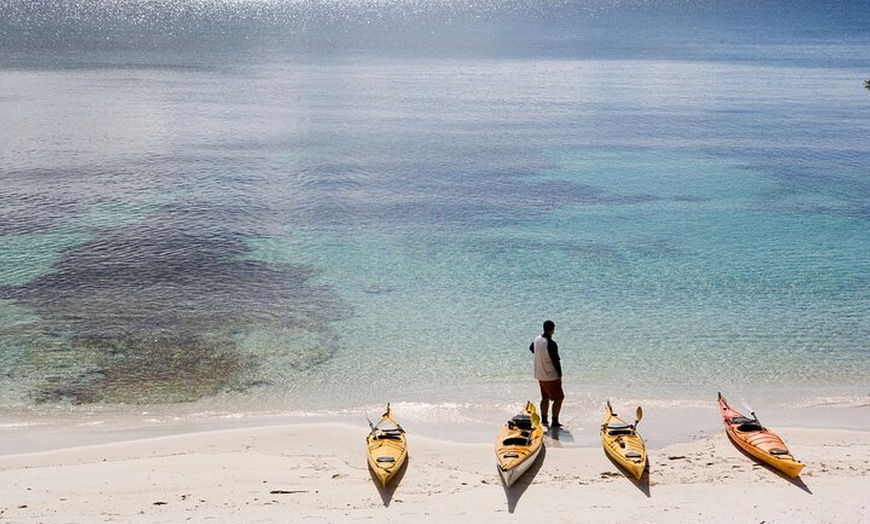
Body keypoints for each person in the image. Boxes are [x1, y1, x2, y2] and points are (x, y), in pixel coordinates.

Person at [529, 320, 564, 428]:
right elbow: (556, 361)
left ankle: (544, 420)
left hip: (540, 374)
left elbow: (531, 348)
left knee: (545, 397)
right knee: (559, 398)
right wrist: (560, 375)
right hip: (551, 375)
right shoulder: (551, 343)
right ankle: (554, 421)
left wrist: (541, 356)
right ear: (552, 330)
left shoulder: (537, 339)